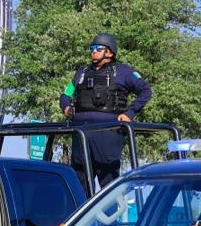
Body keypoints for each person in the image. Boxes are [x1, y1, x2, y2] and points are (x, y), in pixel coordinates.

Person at [59, 33, 152, 188]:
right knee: (79, 182)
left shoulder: (123, 71)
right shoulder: (82, 72)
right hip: (81, 131)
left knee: (108, 181)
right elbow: (66, 94)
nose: (93, 51)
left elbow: (145, 91)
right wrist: (66, 107)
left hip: (108, 133)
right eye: (92, 48)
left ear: (109, 52)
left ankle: (110, 204)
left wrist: (129, 113)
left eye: (98, 48)